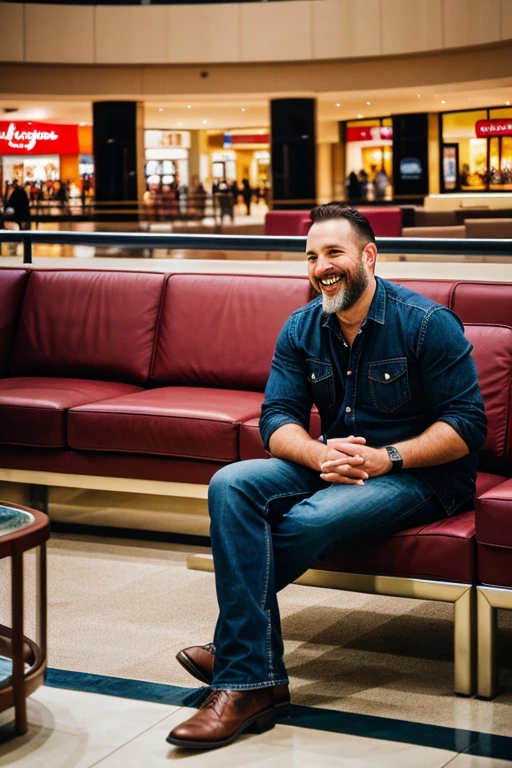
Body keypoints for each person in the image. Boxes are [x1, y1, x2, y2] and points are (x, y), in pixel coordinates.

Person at [167, 203, 487, 751]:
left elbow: (467, 425)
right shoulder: (302, 326)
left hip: (422, 476)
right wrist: (317, 455)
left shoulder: (428, 324)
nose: (321, 266)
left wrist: (388, 457)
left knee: (311, 517)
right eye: (311, 256)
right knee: (231, 483)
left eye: (334, 252)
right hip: (336, 462)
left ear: (368, 255)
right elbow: (276, 418)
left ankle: (242, 670)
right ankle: (253, 667)